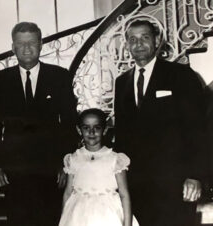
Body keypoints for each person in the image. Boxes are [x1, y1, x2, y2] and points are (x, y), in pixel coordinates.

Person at [114, 19, 206, 226]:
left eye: (145, 38)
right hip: (137, 186)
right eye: (132, 39)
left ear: (157, 41)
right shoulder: (122, 82)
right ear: (126, 45)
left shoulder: (181, 76)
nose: (138, 44)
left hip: (175, 183)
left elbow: (199, 130)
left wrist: (195, 175)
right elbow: (121, 137)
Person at [0, 22, 77, 226]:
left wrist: (66, 164)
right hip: (14, 171)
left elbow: (69, 124)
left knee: (50, 219)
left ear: (41, 44)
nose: (27, 48)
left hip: (50, 169)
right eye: (21, 43)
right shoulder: (1, 80)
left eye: (32, 43)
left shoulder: (59, 76)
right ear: (13, 47)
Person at [59, 108, 139, 226]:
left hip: (108, 215)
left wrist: (127, 224)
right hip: (78, 215)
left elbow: (124, 194)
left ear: (105, 130)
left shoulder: (115, 159)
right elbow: (67, 193)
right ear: (79, 130)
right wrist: (63, 218)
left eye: (97, 128)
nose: (91, 132)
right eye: (86, 128)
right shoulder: (74, 158)